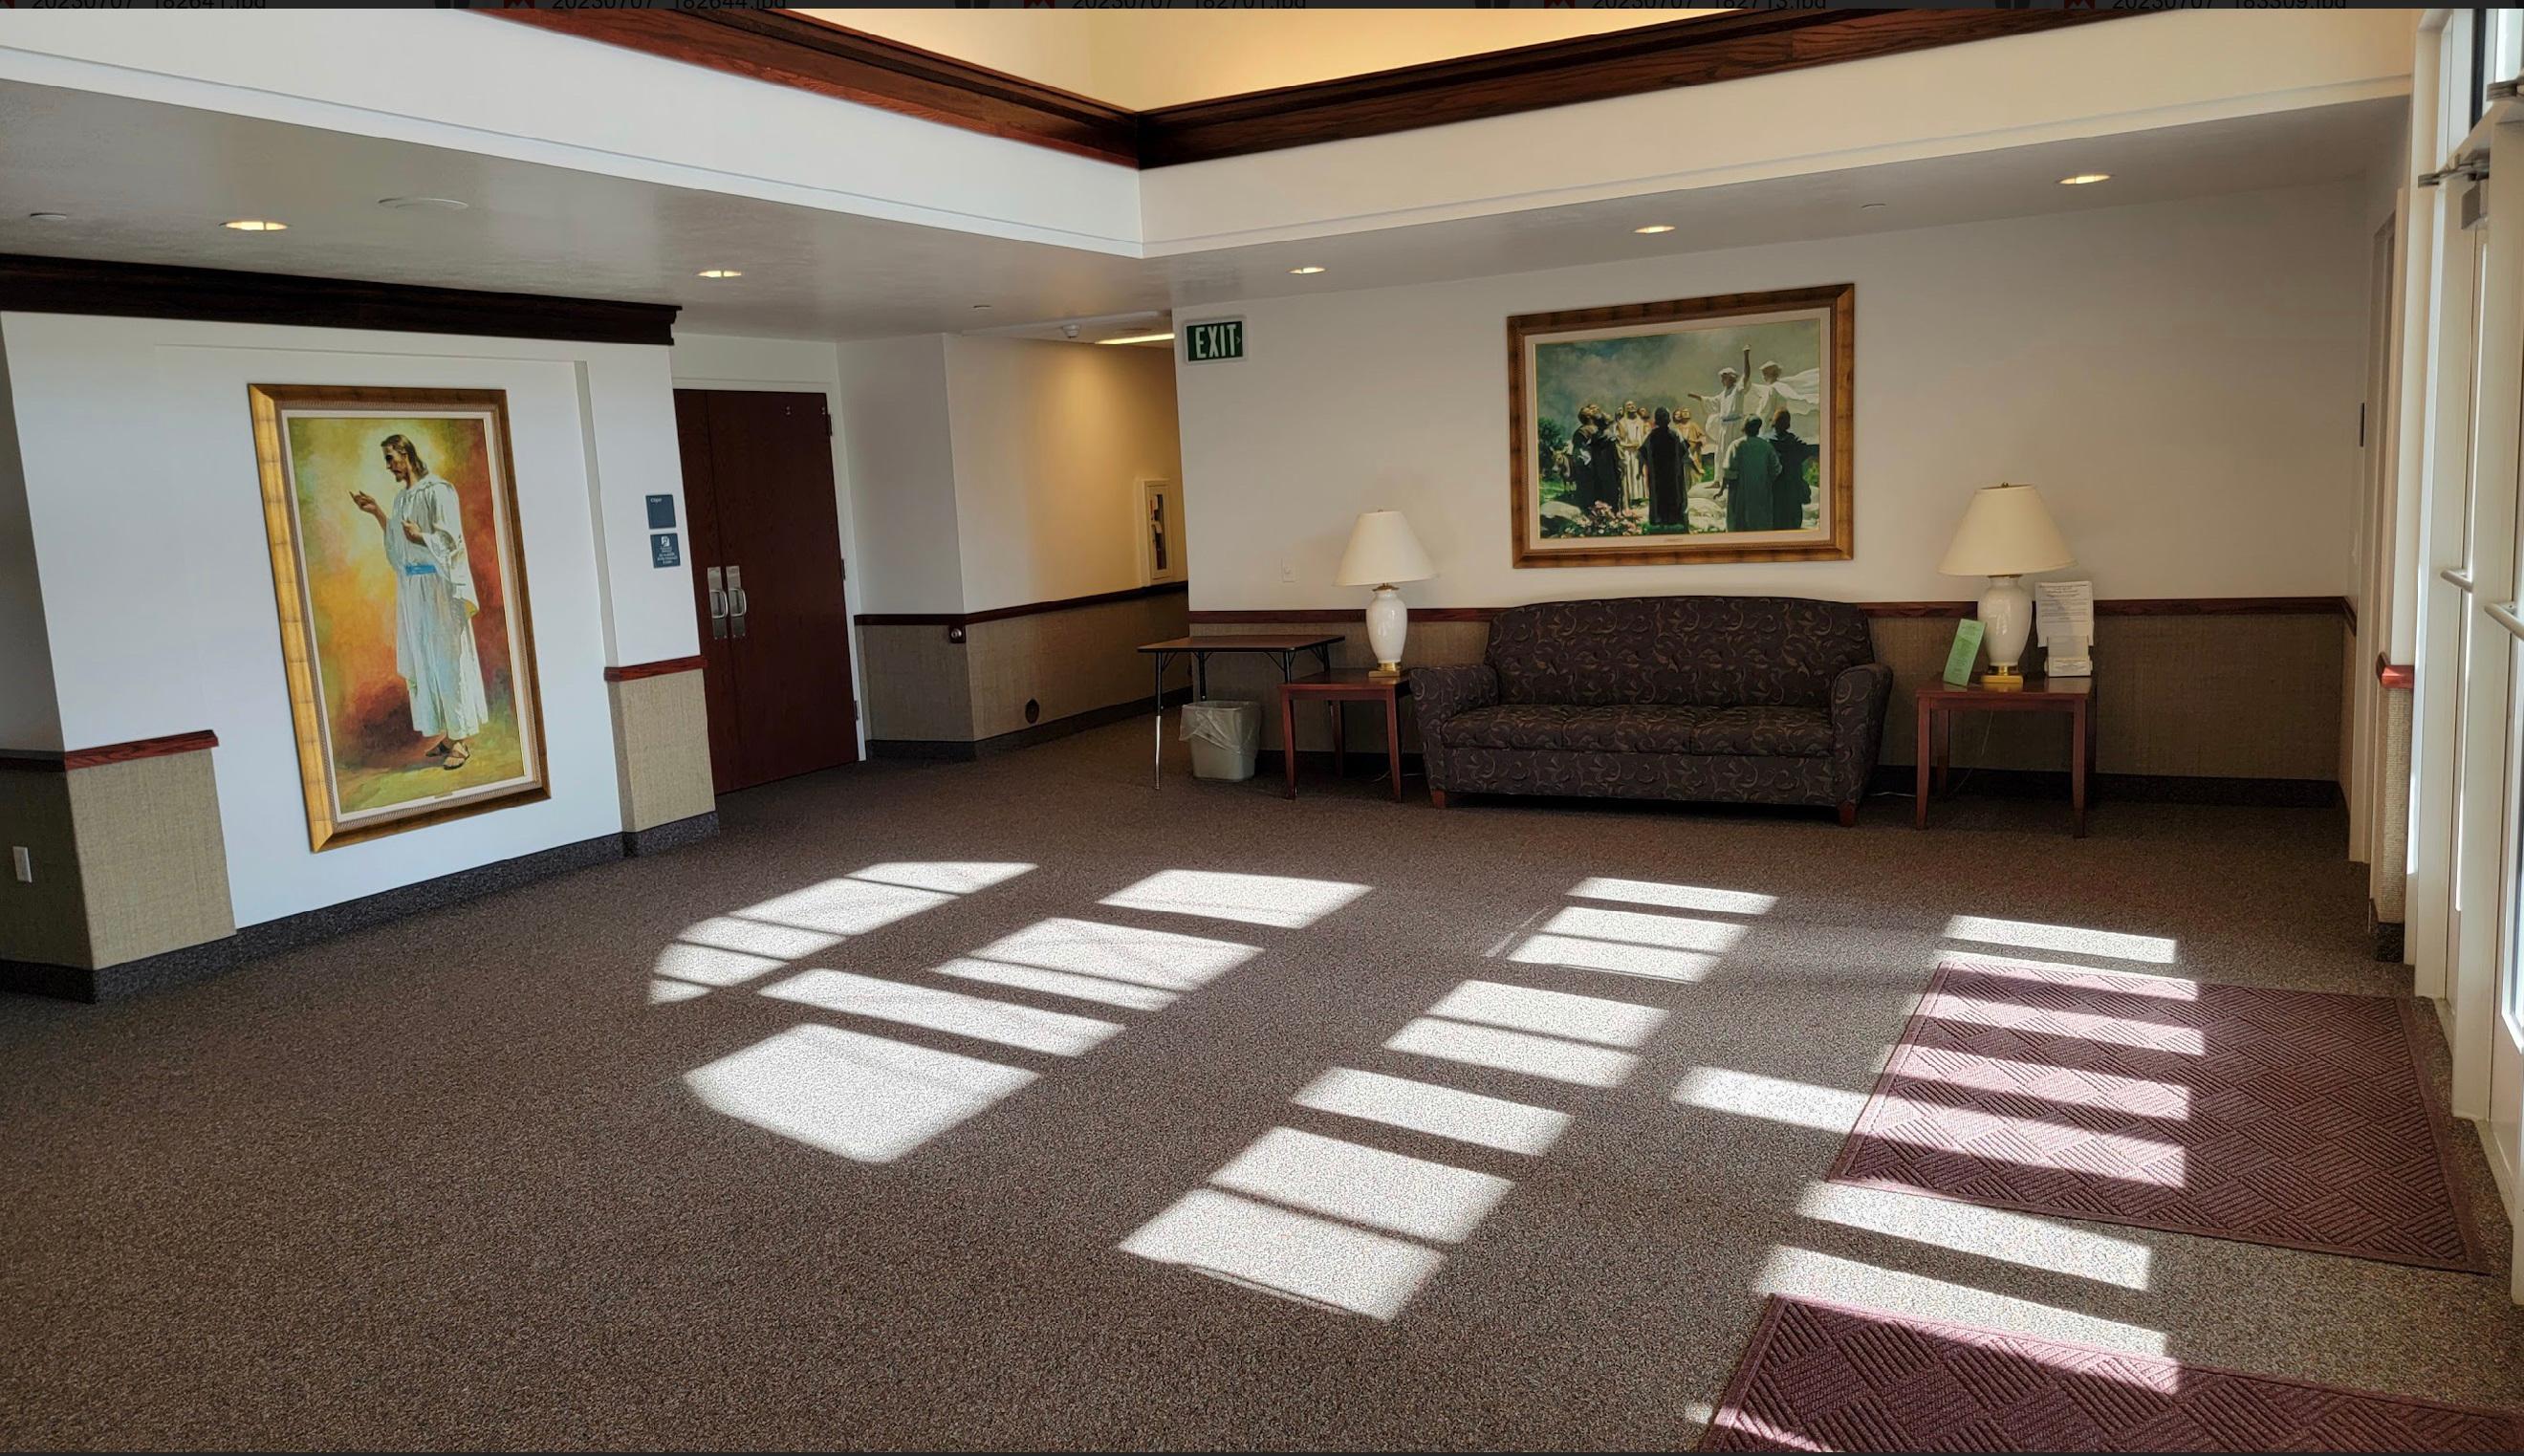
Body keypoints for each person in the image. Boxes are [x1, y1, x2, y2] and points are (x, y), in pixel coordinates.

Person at [350, 434, 490, 771]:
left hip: (439, 588)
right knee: (426, 660)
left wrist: (423, 537)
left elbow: (452, 541)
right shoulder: (401, 500)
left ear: (405, 454)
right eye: (385, 460)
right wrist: (377, 513)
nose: (388, 466)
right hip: (414, 590)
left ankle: (461, 741)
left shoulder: (438, 490)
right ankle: (447, 734)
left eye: (390, 458)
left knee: (447, 659)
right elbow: (399, 545)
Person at [1723, 415, 1782, 534]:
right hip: (1761, 491)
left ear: (1744, 428)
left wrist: (1722, 488)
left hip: (1740, 492)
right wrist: (1766, 480)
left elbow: (1728, 471)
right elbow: (1776, 469)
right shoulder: (1766, 446)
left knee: (1739, 527)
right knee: (1759, 526)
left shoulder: (1736, 445)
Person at [1768, 407, 1816, 531]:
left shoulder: (1768, 443)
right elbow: (1806, 452)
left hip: (1776, 486)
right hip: (1792, 485)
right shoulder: (1795, 442)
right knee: (1793, 520)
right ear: (1788, 424)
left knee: (1776, 518)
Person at [1743, 359, 1821, 433]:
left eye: (1765, 374)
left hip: (1773, 426)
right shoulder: (1772, 388)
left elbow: (1793, 400)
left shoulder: (1778, 387)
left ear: (1771, 374)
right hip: (1768, 425)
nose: (1763, 377)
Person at [1643, 405, 1688, 529]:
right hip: (1673, 472)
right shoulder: (1675, 434)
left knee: (1659, 494)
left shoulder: (1651, 436)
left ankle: (1659, 519)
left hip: (1657, 473)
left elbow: (1642, 453)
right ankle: (1673, 519)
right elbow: (1684, 451)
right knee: (1674, 494)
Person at [1614, 400, 1650, 510]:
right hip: (1627, 452)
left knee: (1639, 473)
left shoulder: (1641, 421)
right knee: (1629, 474)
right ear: (1625, 409)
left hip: (1639, 451)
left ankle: (1640, 498)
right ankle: (1630, 499)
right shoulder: (1621, 423)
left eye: (1633, 404)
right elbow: (1618, 439)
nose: (1631, 406)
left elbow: (1646, 435)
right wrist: (1628, 445)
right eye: (1628, 405)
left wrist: (1642, 445)